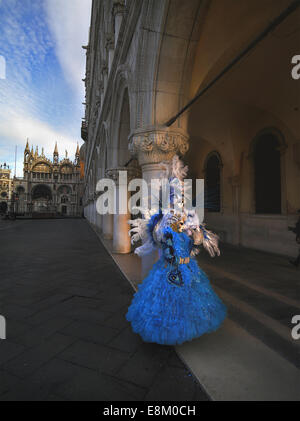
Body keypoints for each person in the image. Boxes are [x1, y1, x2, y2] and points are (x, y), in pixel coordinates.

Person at [125, 156, 227, 346]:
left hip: (188, 268)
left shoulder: (190, 217)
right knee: (167, 302)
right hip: (168, 269)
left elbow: (196, 242)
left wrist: (195, 233)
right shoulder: (160, 219)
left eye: (179, 194)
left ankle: (185, 329)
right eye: (173, 194)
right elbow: (157, 240)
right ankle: (169, 331)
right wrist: (166, 231)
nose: (177, 198)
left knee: (189, 301)